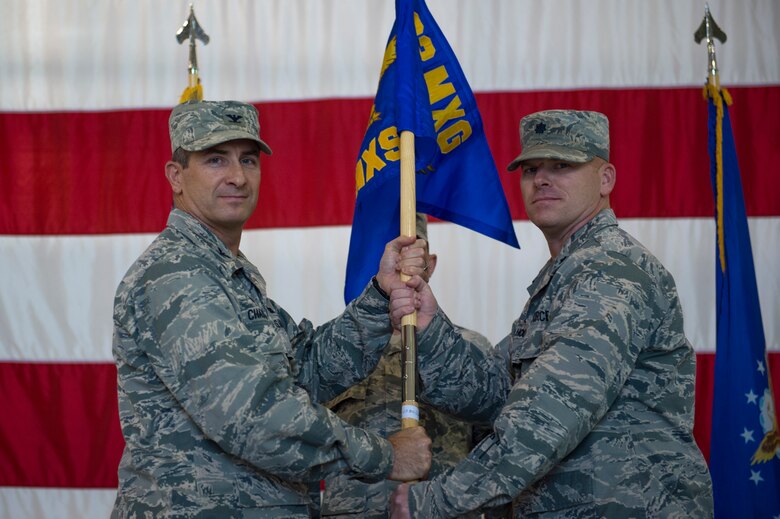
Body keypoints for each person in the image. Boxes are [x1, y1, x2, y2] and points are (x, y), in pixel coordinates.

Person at [111, 99, 432, 518]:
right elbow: (254, 417)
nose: (238, 177)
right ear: (176, 176)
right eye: (214, 160)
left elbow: (307, 369)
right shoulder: (177, 276)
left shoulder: (226, 273)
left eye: (249, 159)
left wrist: (379, 297)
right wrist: (385, 456)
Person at [387, 110, 714, 517]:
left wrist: (435, 502)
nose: (542, 179)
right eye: (531, 169)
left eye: (562, 165)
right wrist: (431, 328)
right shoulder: (568, 274)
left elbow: (547, 415)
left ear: (606, 179)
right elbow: (493, 393)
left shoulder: (609, 271)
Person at [319, 214, 504, 519]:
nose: (400, 266)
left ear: (430, 264)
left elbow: (494, 457)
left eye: (412, 255)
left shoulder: (471, 349)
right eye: (390, 255)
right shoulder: (335, 349)